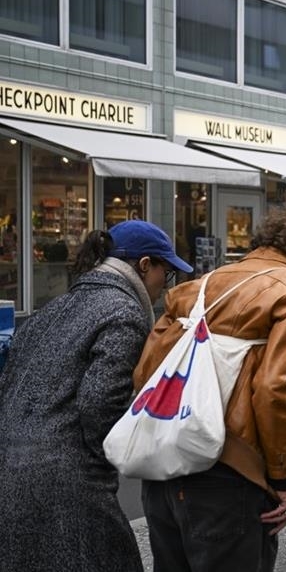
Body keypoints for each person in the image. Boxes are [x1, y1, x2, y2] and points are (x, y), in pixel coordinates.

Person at [134, 194, 286, 572]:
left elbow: (144, 375)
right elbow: (273, 392)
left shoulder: (196, 288)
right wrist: (282, 480)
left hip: (164, 470)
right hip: (228, 479)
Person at [0, 220, 191, 572]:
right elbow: (100, 404)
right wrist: (126, 455)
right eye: (166, 274)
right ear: (144, 265)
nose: (165, 288)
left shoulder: (54, 309)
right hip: (71, 480)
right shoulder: (125, 313)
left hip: (10, 470)